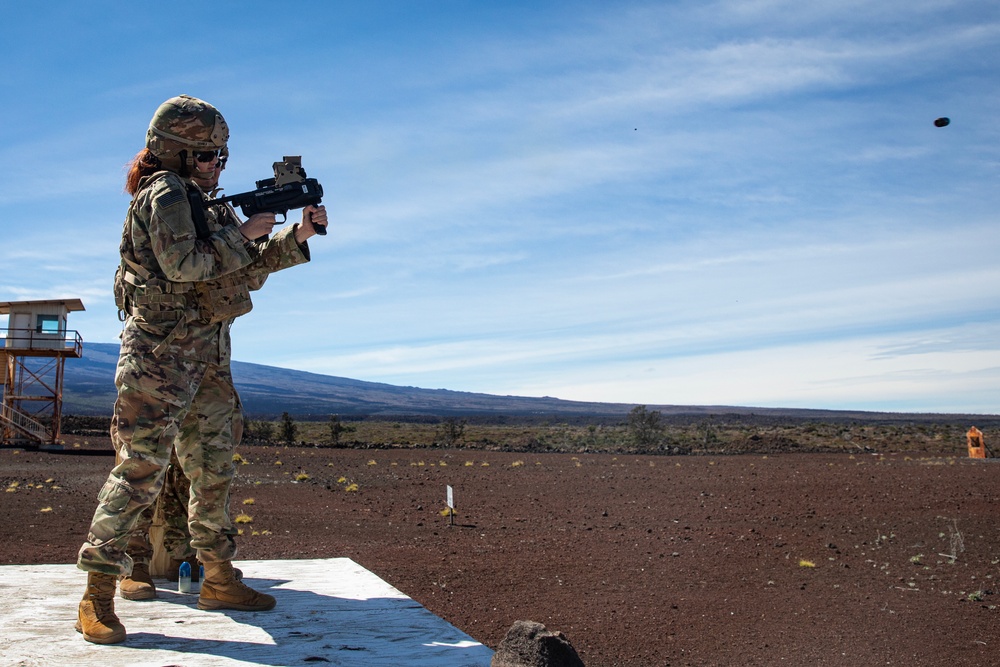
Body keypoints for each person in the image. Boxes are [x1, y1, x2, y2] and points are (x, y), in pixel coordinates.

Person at [76, 94, 327, 644]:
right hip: (160, 358)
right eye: (211, 156)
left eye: (221, 156)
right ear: (180, 153)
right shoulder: (164, 194)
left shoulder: (202, 204)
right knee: (140, 469)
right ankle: (96, 593)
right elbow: (185, 265)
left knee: (213, 469)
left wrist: (295, 237)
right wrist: (245, 234)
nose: (218, 165)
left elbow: (239, 272)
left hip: (207, 355)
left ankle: (217, 577)